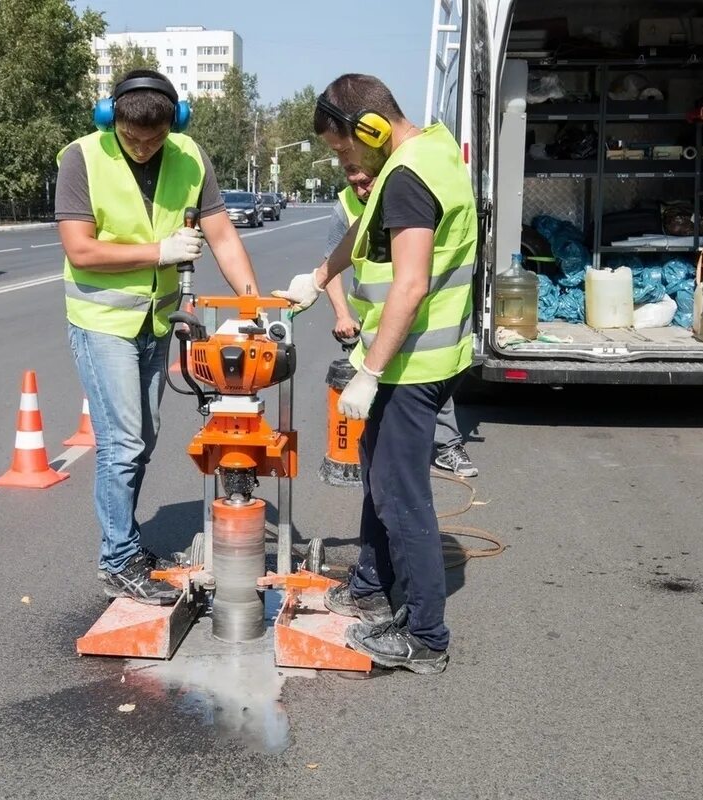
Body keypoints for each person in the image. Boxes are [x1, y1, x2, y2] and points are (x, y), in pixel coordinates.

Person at [273, 74, 477, 674]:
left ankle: (425, 635)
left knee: (400, 494)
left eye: (343, 150)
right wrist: (317, 279)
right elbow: (365, 239)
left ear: (372, 129)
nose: (344, 161)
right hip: (411, 359)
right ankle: (372, 584)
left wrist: (371, 371)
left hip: (412, 363)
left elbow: (410, 283)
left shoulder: (409, 178)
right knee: (378, 477)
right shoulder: (427, 152)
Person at [56, 70, 260, 605]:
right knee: (122, 443)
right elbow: (81, 249)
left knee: (143, 440)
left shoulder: (189, 156)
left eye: (155, 139)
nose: (144, 149)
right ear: (110, 119)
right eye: (131, 138)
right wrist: (159, 252)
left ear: (176, 123)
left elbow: (222, 235)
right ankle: (117, 559)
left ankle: (125, 543)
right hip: (102, 323)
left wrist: (251, 306)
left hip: (156, 323)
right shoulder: (81, 158)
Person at [322, 167, 479, 479]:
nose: (361, 191)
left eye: (366, 182)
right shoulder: (346, 206)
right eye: (354, 184)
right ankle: (370, 452)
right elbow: (330, 264)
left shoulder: (406, 190)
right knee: (376, 404)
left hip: (417, 312)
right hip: (377, 319)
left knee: (425, 380)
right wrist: (342, 314)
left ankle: (447, 444)